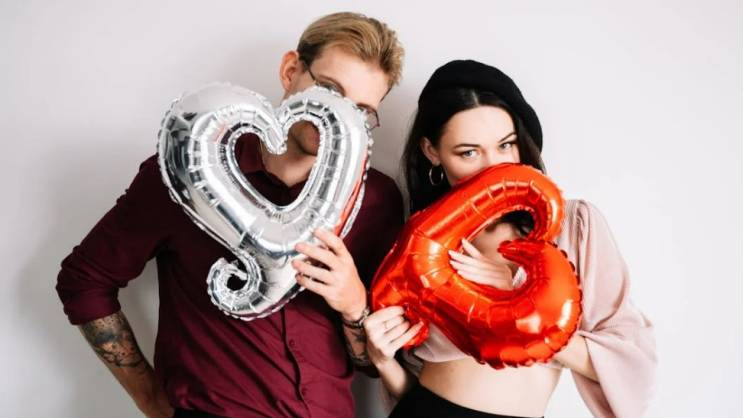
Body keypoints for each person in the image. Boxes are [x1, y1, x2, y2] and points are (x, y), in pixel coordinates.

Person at [56, 12, 405, 418]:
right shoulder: (189, 174)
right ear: (291, 70)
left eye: (360, 110)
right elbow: (84, 281)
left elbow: (370, 366)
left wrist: (354, 304)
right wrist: (149, 400)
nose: (336, 117)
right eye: (328, 90)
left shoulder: (376, 200)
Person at [363, 60, 656, 418]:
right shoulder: (423, 245)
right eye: (468, 152)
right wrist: (383, 360)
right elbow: (413, 387)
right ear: (432, 152)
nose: (494, 167)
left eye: (506, 145)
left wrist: (521, 300)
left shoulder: (574, 225)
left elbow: (631, 365)